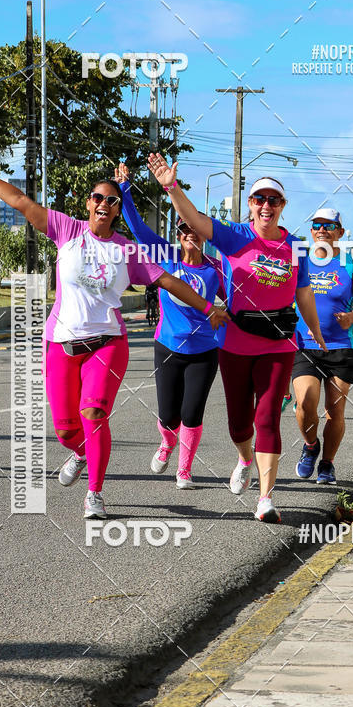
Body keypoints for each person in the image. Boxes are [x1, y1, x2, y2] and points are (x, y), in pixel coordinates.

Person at [0, 144, 228, 519]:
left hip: (107, 344)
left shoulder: (128, 251)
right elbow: (17, 200)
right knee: (65, 429)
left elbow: (171, 283)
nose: (104, 204)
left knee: (94, 413)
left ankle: (94, 492)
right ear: (88, 203)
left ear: (115, 210)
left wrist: (210, 307)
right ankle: (79, 452)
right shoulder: (66, 229)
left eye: (112, 201)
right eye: (98, 197)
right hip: (61, 342)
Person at [148, 151, 326, 523]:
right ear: (250, 205)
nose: (266, 206)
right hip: (234, 342)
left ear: (282, 207)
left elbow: (304, 293)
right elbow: (192, 219)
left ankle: (265, 498)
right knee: (239, 424)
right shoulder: (235, 237)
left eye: (273, 200)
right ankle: (245, 458)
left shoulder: (296, 247)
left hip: (279, 343)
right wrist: (171, 187)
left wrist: (315, 331)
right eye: (260, 199)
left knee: (267, 420)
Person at [114, 163, 223, 489]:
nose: (190, 234)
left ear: (203, 235)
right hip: (168, 346)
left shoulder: (215, 270)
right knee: (168, 416)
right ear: (178, 235)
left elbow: (237, 298)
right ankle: (166, 441)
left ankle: (184, 470)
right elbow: (137, 228)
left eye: (195, 230)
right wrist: (125, 191)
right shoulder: (166, 256)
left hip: (204, 351)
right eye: (184, 230)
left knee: (191, 414)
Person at [293, 209, 353, 484]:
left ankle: (327, 463)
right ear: (312, 231)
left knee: (335, 411)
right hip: (305, 346)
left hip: (340, 347)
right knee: (305, 403)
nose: (322, 230)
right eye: (317, 225)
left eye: (329, 226)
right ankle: (311, 445)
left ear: (340, 231)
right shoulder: (299, 263)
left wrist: (352, 318)